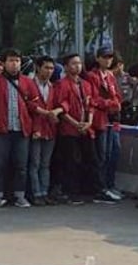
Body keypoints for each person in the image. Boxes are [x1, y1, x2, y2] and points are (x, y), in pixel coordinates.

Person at [0, 49, 36, 208]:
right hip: (1, 130)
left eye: (17, 61)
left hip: (21, 129)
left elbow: (34, 103)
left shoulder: (27, 82)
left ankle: (20, 196)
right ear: (3, 63)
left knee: (21, 165)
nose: (15, 64)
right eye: (11, 60)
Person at [54, 53, 108, 205]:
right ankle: (71, 192)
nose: (77, 66)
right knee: (71, 161)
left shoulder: (86, 84)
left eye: (79, 63)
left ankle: (95, 190)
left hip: (86, 126)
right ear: (66, 67)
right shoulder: (61, 84)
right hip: (69, 129)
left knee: (92, 159)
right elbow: (62, 106)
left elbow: (91, 104)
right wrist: (75, 123)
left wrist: (89, 122)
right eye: (73, 63)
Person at [88, 47, 125, 203]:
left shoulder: (110, 76)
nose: (108, 60)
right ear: (98, 58)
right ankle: (100, 187)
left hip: (113, 120)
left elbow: (118, 95)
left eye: (110, 57)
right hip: (100, 120)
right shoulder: (92, 76)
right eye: (105, 57)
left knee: (114, 153)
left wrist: (116, 103)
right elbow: (93, 98)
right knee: (102, 155)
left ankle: (110, 184)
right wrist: (110, 103)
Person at [27, 56, 62, 205]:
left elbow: (58, 104)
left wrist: (55, 113)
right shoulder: (29, 84)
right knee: (35, 163)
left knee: (45, 164)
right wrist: (44, 112)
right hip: (35, 128)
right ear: (38, 68)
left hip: (50, 129)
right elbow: (27, 104)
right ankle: (36, 193)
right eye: (46, 68)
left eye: (51, 68)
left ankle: (44, 191)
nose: (49, 71)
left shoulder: (52, 87)